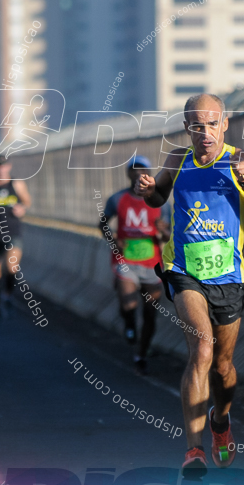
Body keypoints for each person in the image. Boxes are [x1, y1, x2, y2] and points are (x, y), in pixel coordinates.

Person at [135, 93, 244, 475]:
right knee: (202, 348)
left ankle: (220, 421)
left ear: (225, 123)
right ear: (187, 129)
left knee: (223, 367)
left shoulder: (243, 161)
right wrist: (149, 189)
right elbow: (156, 200)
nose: (205, 132)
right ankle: (193, 451)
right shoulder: (177, 161)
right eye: (197, 126)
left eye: (212, 123)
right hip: (183, 271)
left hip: (228, 277)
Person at [99, 156, 170, 375]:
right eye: (134, 169)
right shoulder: (117, 199)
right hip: (126, 260)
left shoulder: (160, 202)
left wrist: (162, 231)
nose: (139, 173)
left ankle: (141, 353)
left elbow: (168, 235)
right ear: (128, 173)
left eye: (143, 170)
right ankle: (129, 324)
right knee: (128, 303)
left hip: (152, 264)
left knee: (150, 314)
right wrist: (114, 240)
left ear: (149, 174)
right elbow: (102, 224)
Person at [0, 156, 31, 323]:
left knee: (12, 266)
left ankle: (7, 295)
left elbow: (27, 201)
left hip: (13, 232)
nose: (1, 170)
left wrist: (22, 209)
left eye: (4, 166)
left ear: (9, 166)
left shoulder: (16, 184)